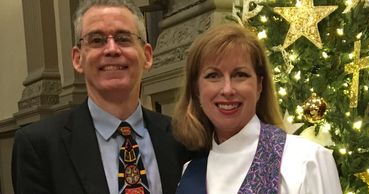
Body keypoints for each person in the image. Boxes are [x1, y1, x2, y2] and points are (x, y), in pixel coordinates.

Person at [11, 0, 189, 194]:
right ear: (77, 59)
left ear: (147, 55)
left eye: (123, 38)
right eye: (96, 40)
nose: (111, 49)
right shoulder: (39, 146)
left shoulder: (181, 137)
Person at [173, 23, 342, 194]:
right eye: (213, 76)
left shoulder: (305, 161)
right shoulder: (191, 172)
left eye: (240, 75)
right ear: (196, 89)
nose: (227, 89)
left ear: (259, 85)